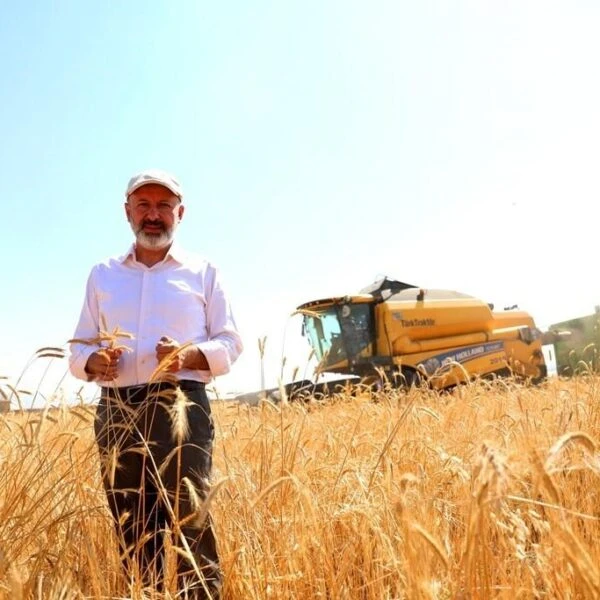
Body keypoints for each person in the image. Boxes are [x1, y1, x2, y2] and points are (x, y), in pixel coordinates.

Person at [69, 169, 242, 599]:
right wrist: (93, 361)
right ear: (127, 212)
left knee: (191, 526)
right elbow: (77, 348)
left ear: (180, 213)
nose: (153, 215)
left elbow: (231, 341)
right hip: (117, 411)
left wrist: (186, 356)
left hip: (182, 405)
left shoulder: (204, 272)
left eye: (164, 205)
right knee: (133, 530)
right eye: (144, 205)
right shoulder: (102, 274)